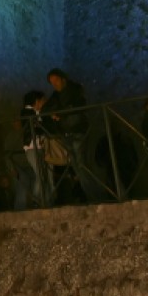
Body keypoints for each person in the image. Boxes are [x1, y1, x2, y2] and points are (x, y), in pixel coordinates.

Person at [42, 68, 106, 202]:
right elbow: (45, 109)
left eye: (56, 80)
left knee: (83, 165)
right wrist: (54, 114)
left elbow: (77, 104)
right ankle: (94, 196)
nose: (55, 84)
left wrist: (60, 113)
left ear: (63, 79)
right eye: (52, 82)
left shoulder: (75, 89)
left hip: (78, 130)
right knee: (77, 168)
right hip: (66, 133)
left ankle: (98, 196)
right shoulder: (55, 96)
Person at [20, 90, 55, 208]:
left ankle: (48, 201)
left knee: (46, 174)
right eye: (43, 100)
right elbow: (34, 128)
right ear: (37, 101)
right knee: (40, 174)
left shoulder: (39, 112)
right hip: (31, 146)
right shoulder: (27, 112)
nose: (45, 102)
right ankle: (36, 201)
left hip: (42, 146)